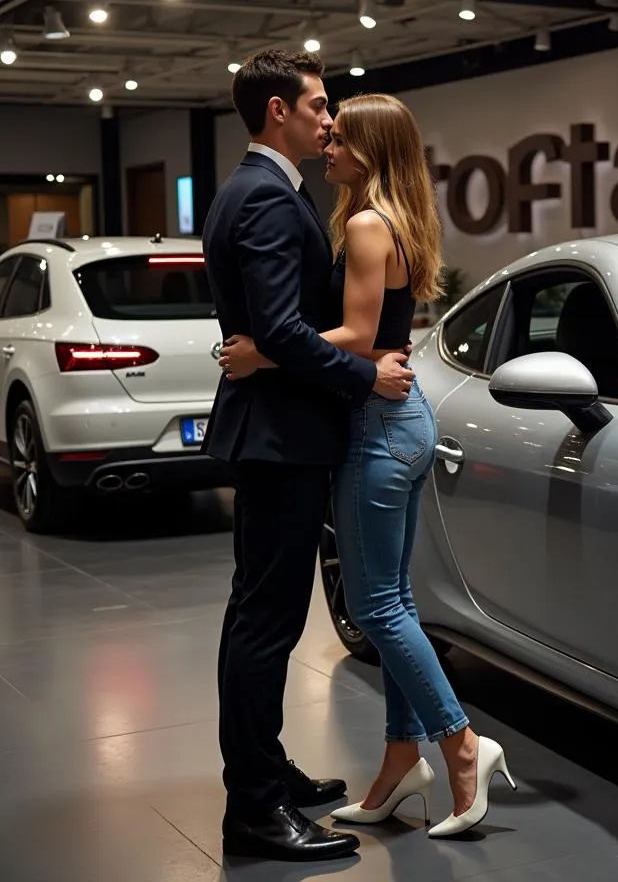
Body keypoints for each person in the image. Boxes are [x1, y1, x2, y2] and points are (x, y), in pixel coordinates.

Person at [219, 93, 516, 839]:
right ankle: (396, 765)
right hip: (404, 425)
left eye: (342, 136)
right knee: (396, 602)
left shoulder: (361, 222)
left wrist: (262, 348)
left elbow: (355, 331)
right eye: (326, 127)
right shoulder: (402, 219)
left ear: (372, 151)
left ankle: (461, 744)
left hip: (378, 427)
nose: (329, 144)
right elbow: (373, 331)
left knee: (377, 606)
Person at [202, 51, 415, 863]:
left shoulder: (265, 190)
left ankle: (265, 773)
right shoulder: (262, 197)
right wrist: (366, 374)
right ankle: (254, 809)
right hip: (279, 440)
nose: (331, 120)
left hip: (281, 432)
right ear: (277, 113)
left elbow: (271, 338)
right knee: (264, 624)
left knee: (261, 619)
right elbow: (282, 331)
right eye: (320, 106)